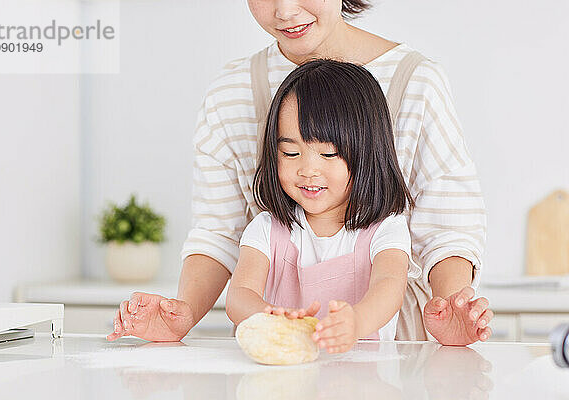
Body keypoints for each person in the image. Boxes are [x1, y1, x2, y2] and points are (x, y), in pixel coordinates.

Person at [107, 0, 493, 345]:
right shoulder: (232, 92)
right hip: (279, 345)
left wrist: (451, 309)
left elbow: (449, 230)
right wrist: (184, 314)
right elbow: (218, 234)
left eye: (330, 152)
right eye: (289, 151)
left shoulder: (416, 81)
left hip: (395, 343)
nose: (286, 10)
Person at [226, 59, 423, 353]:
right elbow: (239, 295)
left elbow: (389, 288)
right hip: (285, 382)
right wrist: (269, 315)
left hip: (364, 383)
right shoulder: (267, 229)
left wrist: (355, 322)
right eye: (291, 152)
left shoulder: (386, 229)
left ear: (368, 153)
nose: (308, 169)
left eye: (328, 154)